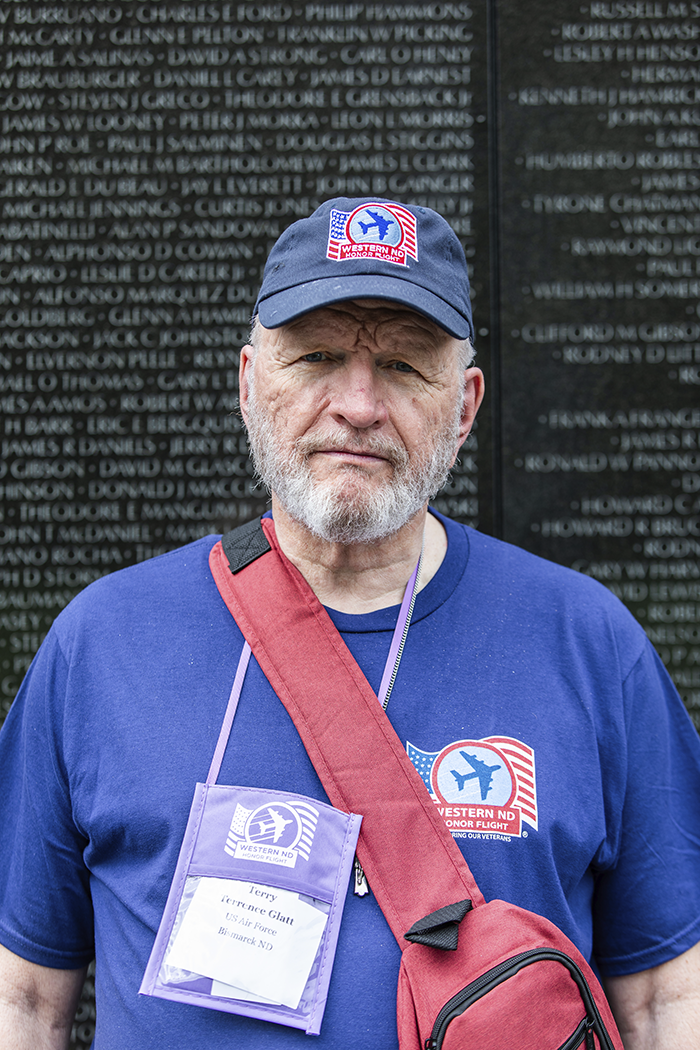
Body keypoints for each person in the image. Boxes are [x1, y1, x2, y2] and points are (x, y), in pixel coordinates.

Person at [1, 197, 700, 1050]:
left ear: (467, 405)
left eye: (405, 366)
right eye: (318, 356)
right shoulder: (101, 645)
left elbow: (670, 1000)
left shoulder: (590, 646)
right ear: (251, 382)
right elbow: (23, 1001)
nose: (358, 405)